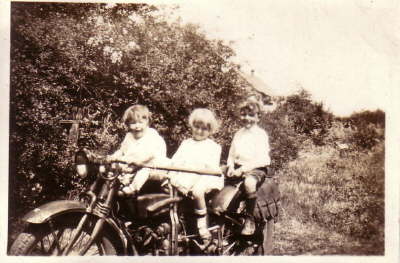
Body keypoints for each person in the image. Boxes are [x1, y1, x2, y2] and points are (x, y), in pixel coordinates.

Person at [169, 108, 223, 242]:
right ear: (192, 126)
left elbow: (210, 167)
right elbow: (176, 161)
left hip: (205, 176)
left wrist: (193, 175)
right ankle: (176, 224)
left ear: (210, 130)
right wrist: (172, 172)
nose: (199, 131)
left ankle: (202, 223)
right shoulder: (186, 143)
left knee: (197, 191)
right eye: (197, 127)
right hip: (186, 174)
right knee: (169, 186)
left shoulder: (213, 146)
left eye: (204, 129)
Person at [226, 94, 271, 235]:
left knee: (249, 183)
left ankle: (249, 219)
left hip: (256, 168)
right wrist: (230, 166)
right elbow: (231, 154)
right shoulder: (238, 133)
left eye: (251, 115)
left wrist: (243, 170)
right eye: (244, 114)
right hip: (239, 167)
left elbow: (261, 158)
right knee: (215, 175)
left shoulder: (260, 134)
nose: (247, 118)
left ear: (258, 117)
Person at [107, 104, 167, 196]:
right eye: (133, 123)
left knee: (144, 171)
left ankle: (132, 188)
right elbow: (122, 151)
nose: (137, 126)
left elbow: (151, 154)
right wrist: (114, 156)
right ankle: (113, 183)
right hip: (133, 164)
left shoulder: (152, 135)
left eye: (140, 122)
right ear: (128, 124)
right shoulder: (129, 136)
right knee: (114, 165)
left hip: (152, 166)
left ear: (147, 122)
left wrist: (137, 161)